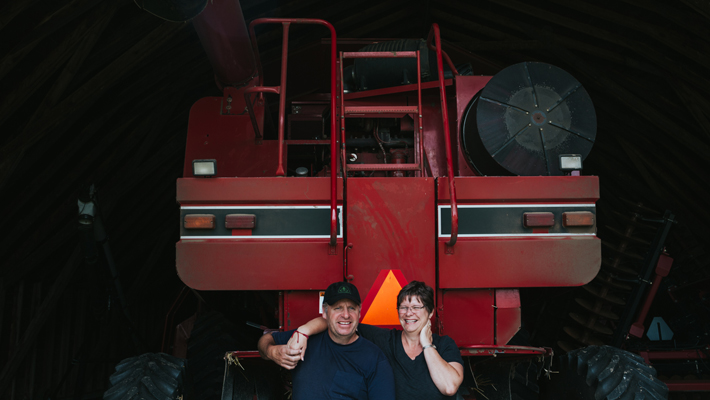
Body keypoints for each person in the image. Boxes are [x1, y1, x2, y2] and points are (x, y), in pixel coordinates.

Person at [285, 281, 464, 399]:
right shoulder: (384, 340)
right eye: (404, 307)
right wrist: (303, 331)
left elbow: (449, 387)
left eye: (417, 307)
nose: (409, 313)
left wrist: (426, 345)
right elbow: (338, 322)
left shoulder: (444, 345)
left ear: (431, 312)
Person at [257, 281, 395, 400]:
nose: (346, 315)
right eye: (338, 308)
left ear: (359, 312)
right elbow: (265, 340)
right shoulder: (303, 340)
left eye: (351, 308)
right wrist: (272, 352)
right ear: (324, 312)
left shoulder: (375, 360)